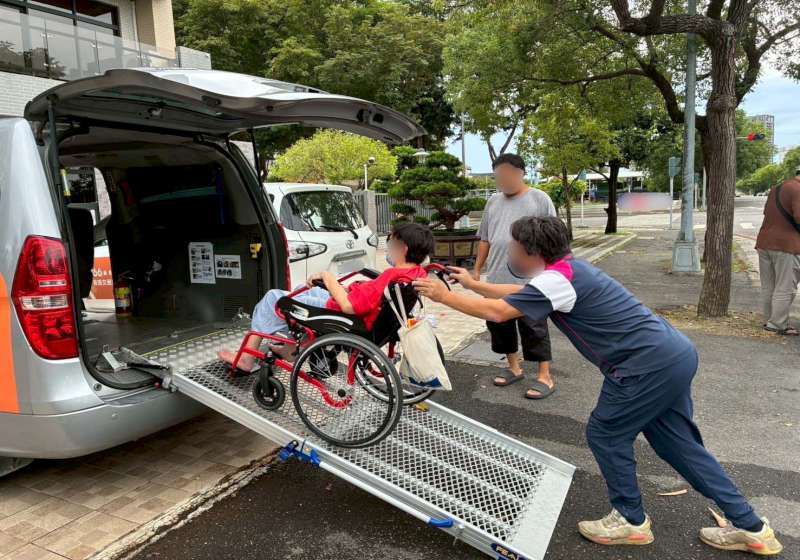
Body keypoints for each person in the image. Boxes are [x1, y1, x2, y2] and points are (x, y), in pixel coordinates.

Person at [414, 216, 782, 555]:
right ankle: (750, 527)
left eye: (513, 247)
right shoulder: (568, 271)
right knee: (677, 445)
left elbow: (499, 312)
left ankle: (630, 520)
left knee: (606, 433)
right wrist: (474, 284)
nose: (508, 253)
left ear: (532, 253)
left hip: (643, 367)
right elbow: (521, 292)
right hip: (672, 356)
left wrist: (444, 296)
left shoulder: (556, 280)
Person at [218, 223, 433, 370]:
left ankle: (246, 357)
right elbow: (367, 297)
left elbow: (349, 306)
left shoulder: (390, 276)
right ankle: (292, 348)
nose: (388, 249)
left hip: (343, 315)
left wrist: (328, 278)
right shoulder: (416, 275)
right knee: (304, 289)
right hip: (366, 316)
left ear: (402, 248)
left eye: (391, 244)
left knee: (274, 298)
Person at [475, 153, 558, 399]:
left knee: (535, 327)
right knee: (499, 326)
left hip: (530, 279)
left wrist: (551, 270)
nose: (502, 180)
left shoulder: (539, 199)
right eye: (498, 176)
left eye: (507, 174)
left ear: (521, 173)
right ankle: (514, 367)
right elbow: (485, 238)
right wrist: (477, 269)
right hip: (497, 277)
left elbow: (553, 237)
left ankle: (545, 376)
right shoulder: (493, 201)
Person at [755, 167, 800, 336]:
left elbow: (767, 212)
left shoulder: (777, 188)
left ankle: (770, 320)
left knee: (769, 286)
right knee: (785, 287)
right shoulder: (798, 189)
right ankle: (777, 324)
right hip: (786, 245)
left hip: (764, 242)